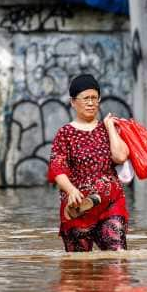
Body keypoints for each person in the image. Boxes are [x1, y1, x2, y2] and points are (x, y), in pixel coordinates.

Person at [47, 74, 130, 252]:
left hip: (110, 203)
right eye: (86, 98)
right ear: (73, 102)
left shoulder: (108, 128)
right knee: (79, 269)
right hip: (78, 207)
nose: (91, 103)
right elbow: (57, 168)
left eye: (95, 98)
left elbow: (121, 157)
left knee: (117, 257)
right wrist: (70, 190)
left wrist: (110, 128)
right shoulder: (65, 133)